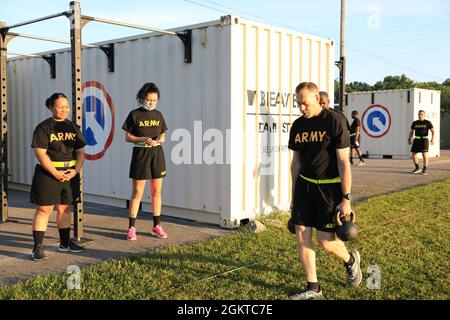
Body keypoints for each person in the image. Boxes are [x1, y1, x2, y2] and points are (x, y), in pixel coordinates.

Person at [288, 82, 362, 300]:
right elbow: (295, 163)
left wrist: (346, 198)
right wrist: (294, 196)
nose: (301, 108)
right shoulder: (297, 125)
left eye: (305, 103)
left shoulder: (335, 121)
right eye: (298, 103)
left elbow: (343, 162)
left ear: (316, 98)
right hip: (304, 186)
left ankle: (350, 260)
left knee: (326, 241)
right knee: (302, 235)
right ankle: (313, 287)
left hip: (329, 189)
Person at [30, 93, 86, 261]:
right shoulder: (43, 127)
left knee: (64, 208)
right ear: (50, 107)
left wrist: (75, 171)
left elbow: (80, 152)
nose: (64, 110)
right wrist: (55, 173)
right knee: (44, 209)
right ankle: (37, 247)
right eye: (60, 106)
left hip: (69, 175)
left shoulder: (73, 127)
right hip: (48, 174)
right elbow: (40, 153)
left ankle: (64, 244)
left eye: (66, 107)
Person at [122, 82, 168, 240]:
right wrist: (143, 139)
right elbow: (128, 137)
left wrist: (161, 139)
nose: (151, 103)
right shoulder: (134, 114)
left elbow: (163, 134)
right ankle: (131, 227)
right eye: (149, 100)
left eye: (154, 100)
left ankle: (156, 226)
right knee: (137, 193)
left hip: (157, 154)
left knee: (156, 192)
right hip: (141, 154)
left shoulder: (159, 115)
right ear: (142, 98)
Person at [408, 110, 435, 175]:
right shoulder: (415, 123)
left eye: (421, 114)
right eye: (419, 114)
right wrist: (409, 139)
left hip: (424, 140)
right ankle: (417, 168)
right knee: (414, 155)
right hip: (416, 139)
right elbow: (411, 131)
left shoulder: (427, 122)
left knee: (424, 154)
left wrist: (432, 139)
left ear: (424, 115)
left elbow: (433, 131)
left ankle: (424, 169)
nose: (420, 115)